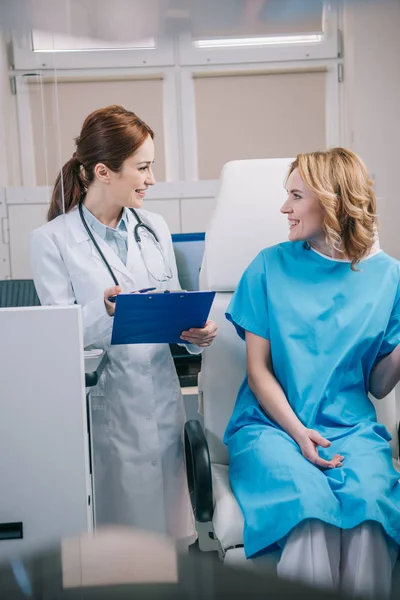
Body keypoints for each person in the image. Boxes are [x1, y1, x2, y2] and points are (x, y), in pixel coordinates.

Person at [30, 105, 217, 545]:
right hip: (107, 407)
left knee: (174, 543)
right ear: (103, 171)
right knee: (121, 550)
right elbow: (58, 338)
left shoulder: (155, 227)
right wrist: (105, 311)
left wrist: (195, 335)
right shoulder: (53, 240)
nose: (152, 179)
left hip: (161, 397)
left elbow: (170, 308)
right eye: (143, 167)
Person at [224, 148, 400, 598]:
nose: (285, 208)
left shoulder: (388, 277)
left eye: (296, 196)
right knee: (310, 512)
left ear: (333, 200)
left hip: (352, 429)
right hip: (272, 428)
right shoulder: (269, 266)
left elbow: (379, 384)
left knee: (371, 515)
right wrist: (300, 432)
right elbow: (259, 372)